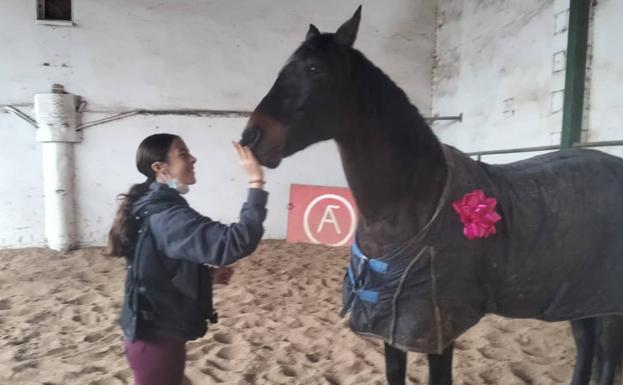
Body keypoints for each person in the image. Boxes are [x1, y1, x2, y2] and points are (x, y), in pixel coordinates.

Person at [106, 133, 267, 385]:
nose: (193, 158)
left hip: (150, 333)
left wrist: (206, 276)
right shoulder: (167, 216)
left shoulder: (150, 202)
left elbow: (155, 265)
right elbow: (234, 242)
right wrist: (256, 182)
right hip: (156, 340)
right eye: (182, 154)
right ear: (160, 168)